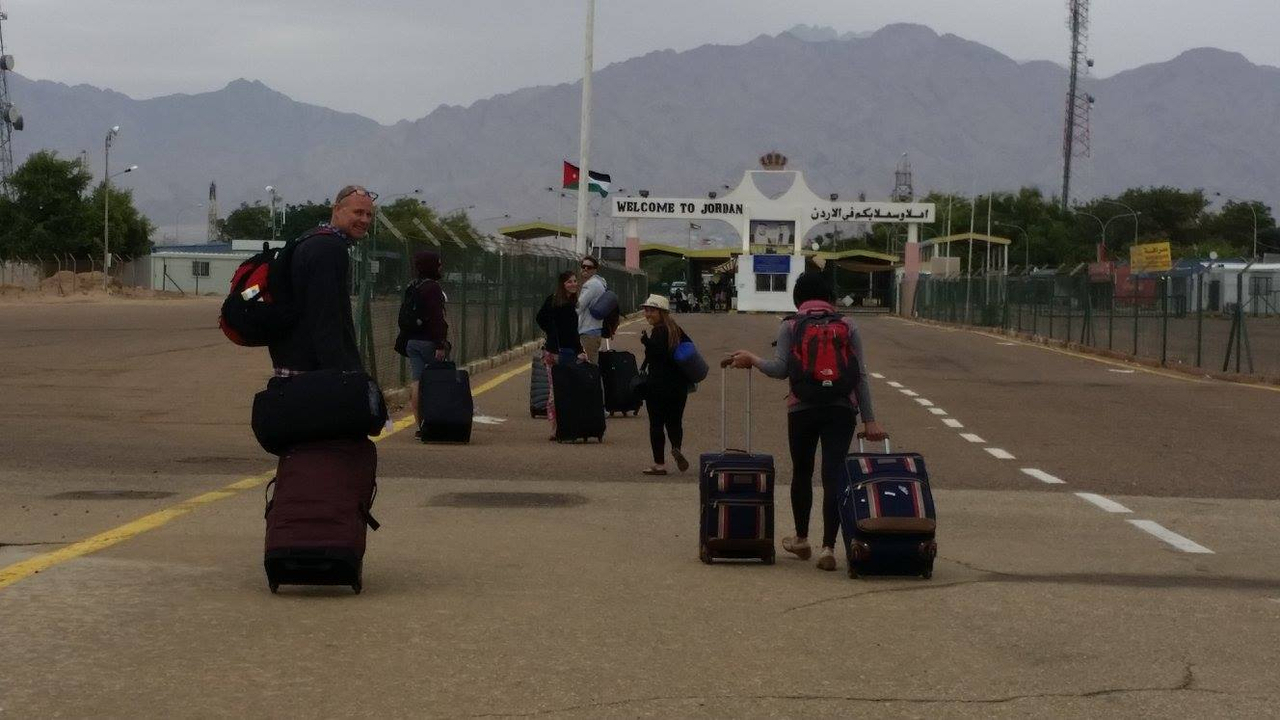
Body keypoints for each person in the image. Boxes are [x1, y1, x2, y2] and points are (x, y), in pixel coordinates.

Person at [725, 271, 887, 572]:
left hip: (802, 409)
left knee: (802, 472)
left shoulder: (790, 325)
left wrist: (753, 359)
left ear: (798, 298)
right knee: (833, 476)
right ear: (830, 297)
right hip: (841, 409)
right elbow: (860, 376)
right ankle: (828, 548)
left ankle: (801, 539)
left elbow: (779, 369)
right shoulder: (848, 324)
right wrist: (870, 420)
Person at [268, 184, 374, 375]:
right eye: (358, 212)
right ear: (337, 209)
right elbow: (325, 315)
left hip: (293, 359)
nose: (364, 220)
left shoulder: (311, 238)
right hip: (312, 369)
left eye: (369, 215)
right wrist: (337, 372)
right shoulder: (328, 248)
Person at [638, 294, 691, 476]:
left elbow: (658, 355)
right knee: (675, 422)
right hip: (679, 386)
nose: (647, 314)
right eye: (646, 310)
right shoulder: (676, 329)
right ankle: (676, 447)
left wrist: (646, 342)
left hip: (658, 385)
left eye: (651, 310)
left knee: (656, 424)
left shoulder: (659, 331)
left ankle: (659, 464)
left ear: (661, 312)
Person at [399, 250, 450, 438]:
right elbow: (436, 318)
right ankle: (439, 420)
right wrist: (440, 344)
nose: (440, 267)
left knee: (417, 382)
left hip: (412, 341)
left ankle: (421, 425)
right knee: (439, 381)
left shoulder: (413, 285)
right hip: (429, 341)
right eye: (438, 263)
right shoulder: (433, 288)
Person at [536, 270, 588, 438]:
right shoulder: (567, 306)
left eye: (574, 281)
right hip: (564, 352)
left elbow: (540, 318)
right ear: (563, 284)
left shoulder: (553, 300)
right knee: (563, 389)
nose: (573, 284)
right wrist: (580, 351)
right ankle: (561, 426)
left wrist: (551, 332)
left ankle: (555, 426)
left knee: (554, 388)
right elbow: (571, 333)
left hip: (551, 350)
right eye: (569, 282)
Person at [575, 255, 607, 363]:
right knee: (591, 366)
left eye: (589, 267)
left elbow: (579, 307)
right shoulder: (599, 283)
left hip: (587, 331)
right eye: (583, 266)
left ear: (595, 270)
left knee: (588, 368)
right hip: (594, 330)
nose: (585, 269)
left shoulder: (591, 285)